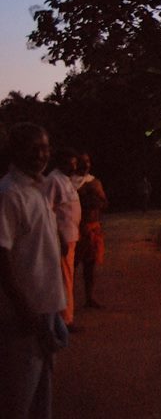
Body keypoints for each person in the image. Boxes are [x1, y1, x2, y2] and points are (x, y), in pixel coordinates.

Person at [0, 123, 68, 419]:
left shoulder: (37, 188)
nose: (42, 154)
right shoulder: (9, 194)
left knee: (42, 396)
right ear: (15, 150)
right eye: (35, 147)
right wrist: (23, 307)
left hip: (47, 308)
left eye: (46, 147)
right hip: (23, 314)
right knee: (18, 398)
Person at [43, 148, 81, 329]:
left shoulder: (66, 180)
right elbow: (48, 211)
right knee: (64, 279)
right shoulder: (53, 180)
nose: (73, 166)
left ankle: (66, 316)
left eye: (74, 163)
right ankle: (65, 319)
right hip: (62, 238)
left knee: (68, 277)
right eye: (70, 163)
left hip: (71, 236)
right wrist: (59, 237)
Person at [71, 153, 107, 308]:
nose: (85, 165)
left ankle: (89, 297)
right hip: (75, 229)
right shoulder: (68, 183)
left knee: (90, 265)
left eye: (87, 162)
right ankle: (67, 300)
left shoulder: (94, 181)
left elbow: (104, 203)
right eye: (81, 162)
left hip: (92, 228)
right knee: (71, 266)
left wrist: (95, 199)